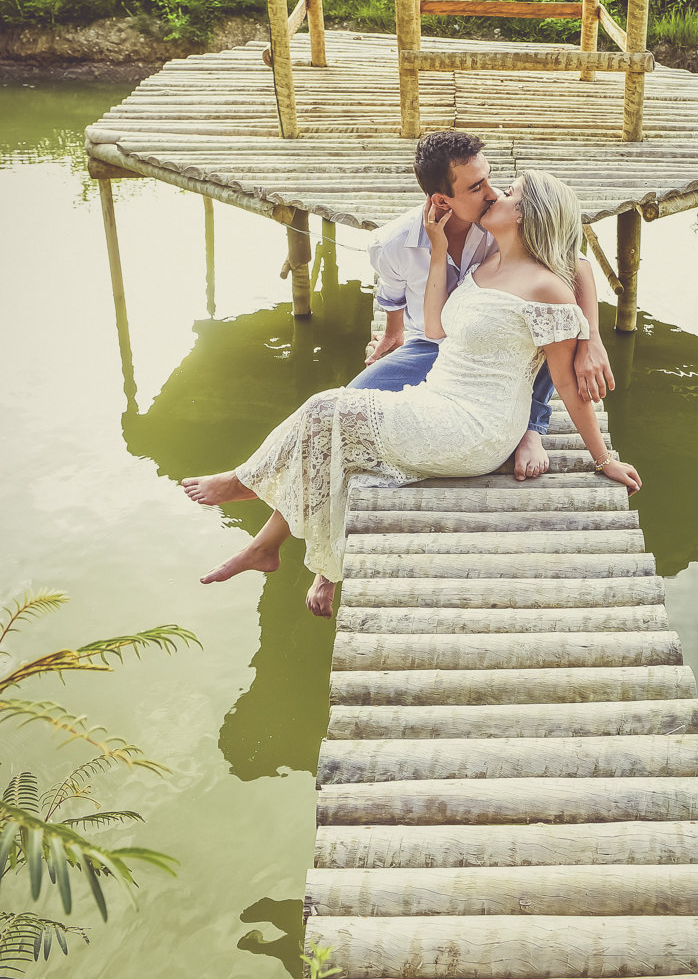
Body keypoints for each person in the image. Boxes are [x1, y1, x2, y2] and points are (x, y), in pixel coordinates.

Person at [182, 170, 641, 618]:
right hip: (434, 399)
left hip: (477, 427)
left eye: (509, 192)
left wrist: (603, 459)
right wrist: (438, 249)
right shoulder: (490, 263)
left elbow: (565, 383)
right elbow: (438, 327)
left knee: (328, 410)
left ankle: (244, 485)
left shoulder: (547, 288)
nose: (495, 194)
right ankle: (270, 546)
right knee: (334, 427)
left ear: (524, 214)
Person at [350, 130, 614, 480]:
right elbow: (394, 293)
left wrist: (592, 337)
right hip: (433, 344)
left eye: (491, 179)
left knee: (556, 327)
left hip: (497, 354)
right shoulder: (389, 244)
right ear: (442, 201)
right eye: (476, 187)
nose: (492, 193)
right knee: (353, 398)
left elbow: (572, 260)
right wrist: (393, 332)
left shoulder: (499, 225)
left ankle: (532, 427)